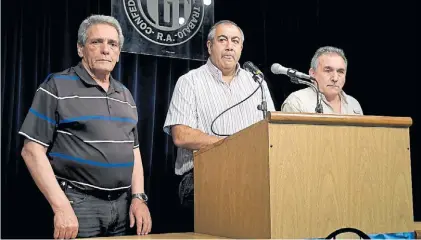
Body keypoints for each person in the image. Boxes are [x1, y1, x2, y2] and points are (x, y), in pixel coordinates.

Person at [19, 14, 151, 239]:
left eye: (112, 44)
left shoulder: (125, 95)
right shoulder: (56, 86)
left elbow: (134, 151)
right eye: (96, 42)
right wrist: (61, 207)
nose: (105, 50)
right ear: (81, 49)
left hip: (122, 207)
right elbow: (31, 151)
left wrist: (138, 197)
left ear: (118, 53)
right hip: (78, 205)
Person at [163, 20, 276, 230]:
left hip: (252, 177)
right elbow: (181, 135)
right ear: (209, 46)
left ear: (241, 47)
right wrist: (231, 145)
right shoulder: (190, 81)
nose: (229, 46)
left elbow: (272, 131)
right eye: (222, 40)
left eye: (235, 41)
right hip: (203, 178)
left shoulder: (256, 83)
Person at [281, 46, 363, 115]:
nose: (335, 78)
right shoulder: (297, 102)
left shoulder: (353, 104)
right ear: (312, 73)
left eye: (340, 72)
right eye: (328, 70)